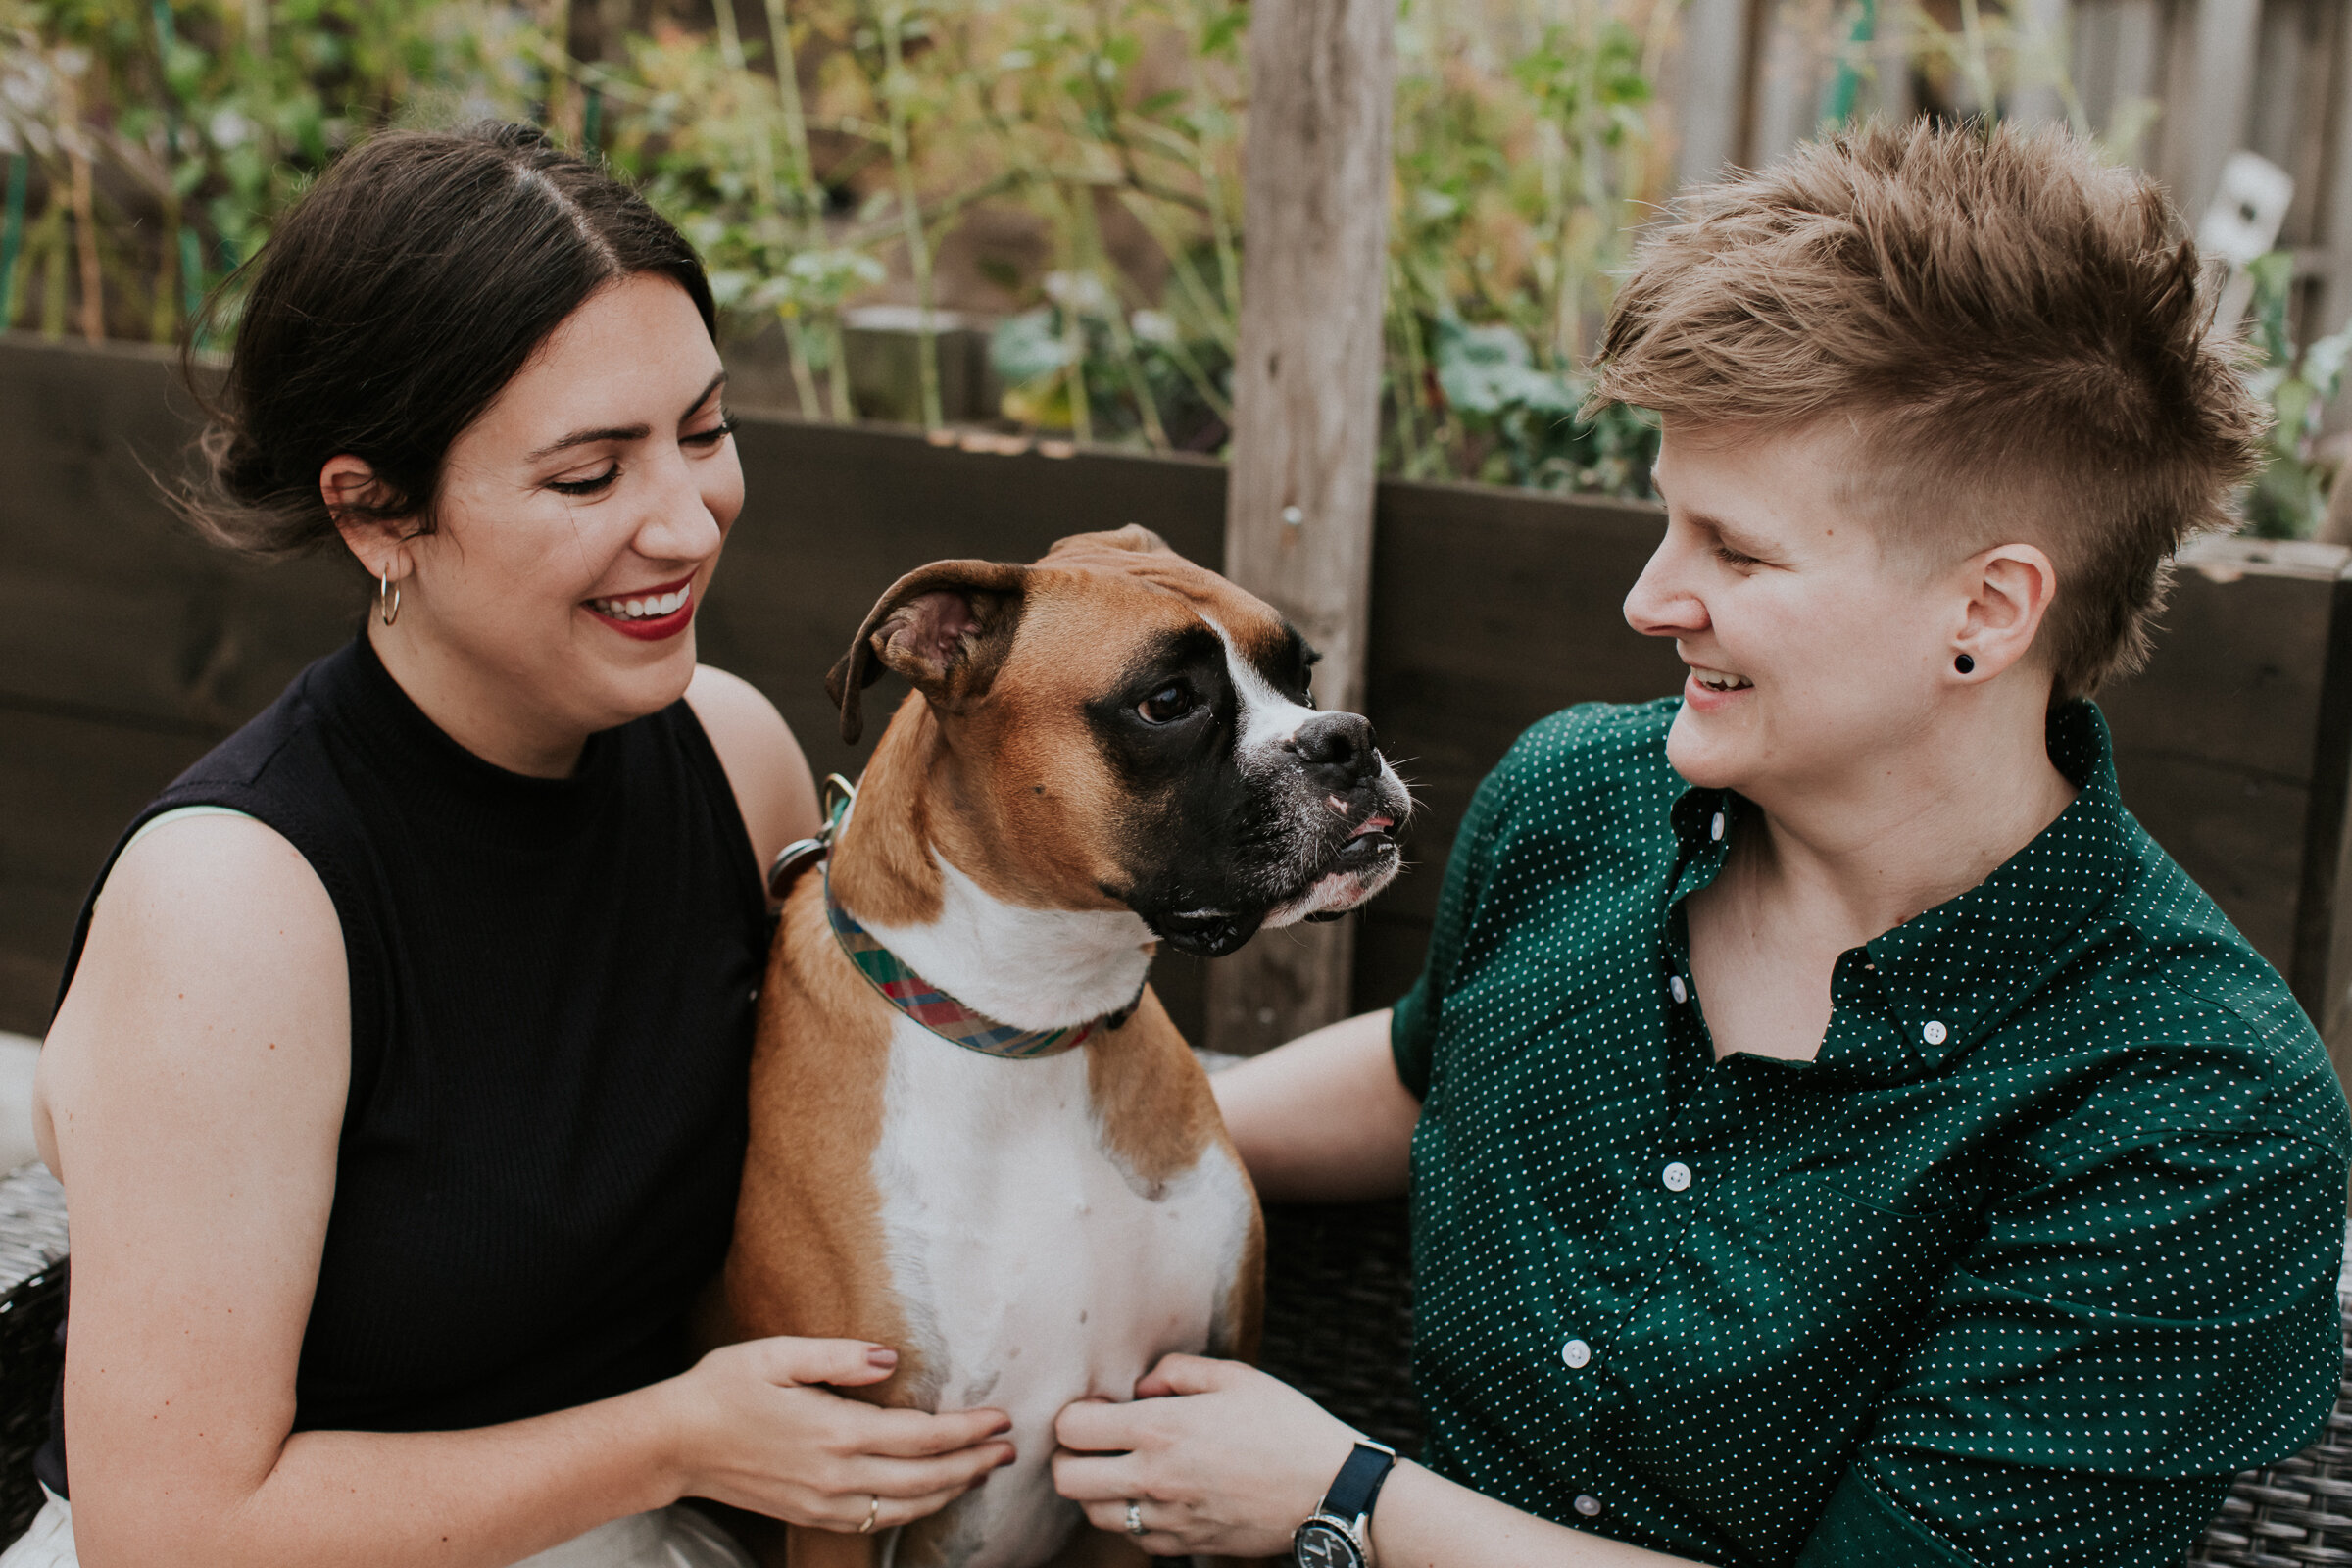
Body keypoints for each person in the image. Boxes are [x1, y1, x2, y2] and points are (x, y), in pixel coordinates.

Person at [1053, 121, 2352, 1566]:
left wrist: (1348, 1501)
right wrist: (1041, 1151)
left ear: (1987, 612)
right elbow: (1441, 1065)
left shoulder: (2194, 1104)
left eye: (1736, 552)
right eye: (1668, 521)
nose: (1649, 598)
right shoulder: (1575, 802)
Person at [11, 123, 1011, 1568]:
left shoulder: (734, 761)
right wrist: (676, 1436)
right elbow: (165, 1528)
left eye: (705, 431)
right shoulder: (236, 906)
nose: (686, 522)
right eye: (589, 475)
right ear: (377, 515)